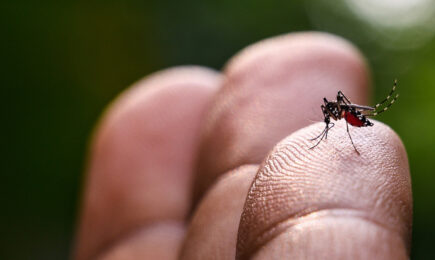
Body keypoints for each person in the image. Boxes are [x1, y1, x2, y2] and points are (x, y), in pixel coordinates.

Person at [74, 32, 413, 260]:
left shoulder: (341, 115)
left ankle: (373, 111)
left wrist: (346, 123)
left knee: (347, 117)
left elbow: (338, 113)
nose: (328, 114)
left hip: (356, 124)